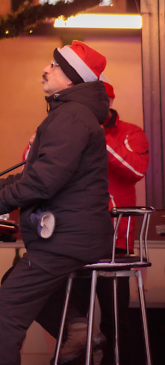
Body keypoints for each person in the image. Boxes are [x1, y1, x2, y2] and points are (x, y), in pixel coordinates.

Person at [0, 41, 112, 365]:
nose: (45, 70)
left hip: (68, 239)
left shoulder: (71, 116)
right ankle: (77, 328)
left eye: (55, 66)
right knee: (10, 286)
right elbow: (36, 174)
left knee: (5, 310)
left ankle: (77, 330)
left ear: (72, 78)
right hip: (73, 235)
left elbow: (45, 180)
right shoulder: (71, 114)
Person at [96, 76, 150, 365]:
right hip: (72, 237)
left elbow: (135, 170)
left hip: (115, 240)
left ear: (110, 102)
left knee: (115, 321)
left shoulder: (131, 133)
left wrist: (96, 136)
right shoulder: (67, 132)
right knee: (71, 316)